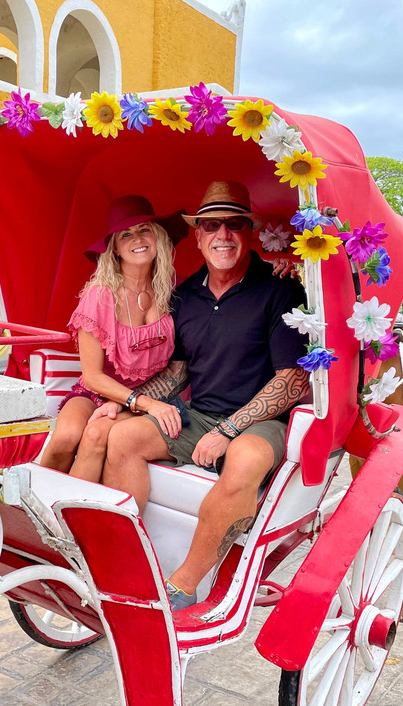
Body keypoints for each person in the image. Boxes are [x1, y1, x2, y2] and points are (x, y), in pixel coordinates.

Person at [100, 181, 309, 611]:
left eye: (234, 224)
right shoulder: (185, 295)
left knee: (245, 458)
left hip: (261, 422)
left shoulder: (280, 288)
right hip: (200, 415)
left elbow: (292, 380)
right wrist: (127, 401)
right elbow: (178, 373)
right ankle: (126, 562)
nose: (222, 235)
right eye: (211, 225)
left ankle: (183, 584)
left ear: (249, 232)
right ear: (197, 236)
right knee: (122, 436)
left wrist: (229, 430)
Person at [39, 195, 186, 481]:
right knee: (66, 437)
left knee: (95, 435)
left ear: (157, 236)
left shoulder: (175, 292)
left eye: (144, 229)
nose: (137, 239)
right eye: (125, 234)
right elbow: (92, 376)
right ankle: (32, 501)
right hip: (96, 391)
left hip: (151, 392)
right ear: (115, 248)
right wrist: (138, 402)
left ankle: (73, 509)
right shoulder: (100, 296)